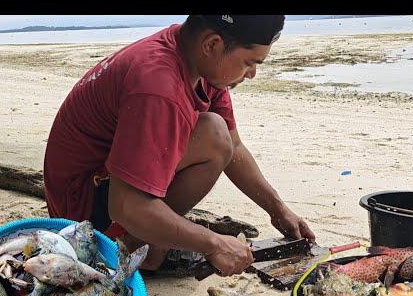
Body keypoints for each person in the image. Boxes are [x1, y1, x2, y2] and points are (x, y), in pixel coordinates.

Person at [43, 15, 315, 277]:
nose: (252, 74)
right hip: (82, 215)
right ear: (212, 44)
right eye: (249, 62)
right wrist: (214, 243)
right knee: (213, 135)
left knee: (217, 136)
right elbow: (125, 205)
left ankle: (148, 238)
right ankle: (128, 247)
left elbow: (234, 147)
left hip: (107, 180)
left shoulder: (204, 65)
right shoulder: (158, 84)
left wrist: (278, 210)